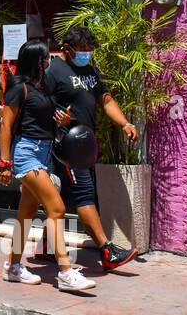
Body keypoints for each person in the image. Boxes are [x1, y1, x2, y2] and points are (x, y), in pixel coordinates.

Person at [0, 40, 97, 292]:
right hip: (26, 153)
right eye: (44, 58)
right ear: (35, 60)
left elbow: (44, 121)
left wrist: (63, 121)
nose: (48, 62)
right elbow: (6, 125)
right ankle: (65, 272)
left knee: (26, 214)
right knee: (57, 208)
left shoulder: (40, 88)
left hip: (44, 152)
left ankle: (13, 267)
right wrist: (4, 163)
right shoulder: (18, 87)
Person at [43, 25, 140, 271]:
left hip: (85, 142)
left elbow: (105, 99)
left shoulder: (91, 70)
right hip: (67, 144)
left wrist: (124, 123)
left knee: (62, 195)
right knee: (84, 193)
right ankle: (107, 251)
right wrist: (59, 120)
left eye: (89, 49)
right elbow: (41, 104)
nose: (87, 54)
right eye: (82, 50)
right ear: (67, 49)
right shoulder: (53, 71)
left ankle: (45, 246)